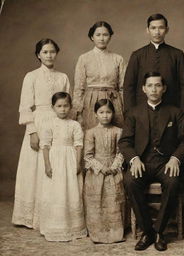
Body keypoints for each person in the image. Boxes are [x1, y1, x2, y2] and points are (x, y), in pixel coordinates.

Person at [119, 72, 184, 251]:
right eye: (150, 86)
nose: (154, 89)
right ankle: (147, 231)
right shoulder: (133, 113)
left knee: (173, 182)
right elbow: (125, 141)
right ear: (144, 89)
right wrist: (134, 159)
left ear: (164, 88)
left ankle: (159, 231)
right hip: (142, 162)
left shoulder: (175, 112)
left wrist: (175, 158)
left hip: (166, 162)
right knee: (130, 181)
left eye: (158, 85)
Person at [12, 39, 70, 229]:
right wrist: (32, 132)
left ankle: (53, 213)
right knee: (35, 167)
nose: (49, 55)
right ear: (38, 55)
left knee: (55, 164)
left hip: (58, 123)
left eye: (52, 52)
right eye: (45, 52)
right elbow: (25, 106)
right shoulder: (31, 76)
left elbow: (68, 103)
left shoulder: (63, 77)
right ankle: (32, 216)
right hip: (39, 121)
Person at [123, 13, 184, 121]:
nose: (157, 32)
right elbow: (129, 87)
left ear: (167, 30)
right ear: (147, 30)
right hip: (142, 113)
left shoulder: (177, 54)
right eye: (153, 28)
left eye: (161, 27)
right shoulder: (137, 55)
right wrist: (130, 115)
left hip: (171, 113)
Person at [39, 92, 86, 241]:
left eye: (66, 106)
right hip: (55, 159)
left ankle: (73, 226)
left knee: (71, 190)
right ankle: (55, 226)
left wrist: (78, 163)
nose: (63, 109)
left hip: (70, 159)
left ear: (71, 107)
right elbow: (45, 145)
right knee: (56, 191)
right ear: (53, 107)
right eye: (59, 106)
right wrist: (47, 164)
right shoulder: (49, 124)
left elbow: (79, 145)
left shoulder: (75, 125)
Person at [84, 99, 125, 243]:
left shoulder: (118, 131)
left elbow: (121, 152)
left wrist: (114, 167)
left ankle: (115, 232)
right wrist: (101, 168)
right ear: (96, 114)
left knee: (114, 198)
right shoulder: (91, 133)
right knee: (97, 199)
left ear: (113, 113)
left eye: (108, 112)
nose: (105, 115)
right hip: (97, 172)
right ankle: (98, 231)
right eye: (101, 112)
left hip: (113, 169)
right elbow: (87, 156)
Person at [72, 21, 126, 129]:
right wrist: (77, 112)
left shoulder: (118, 59)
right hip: (91, 101)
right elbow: (79, 88)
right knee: (91, 133)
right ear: (92, 37)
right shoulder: (84, 58)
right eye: (98, 35)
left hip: (113, 101)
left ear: (110, 37)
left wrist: (124, 108)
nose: (102, 38)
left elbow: (123, 87)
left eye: (105, 35)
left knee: (115, 134)